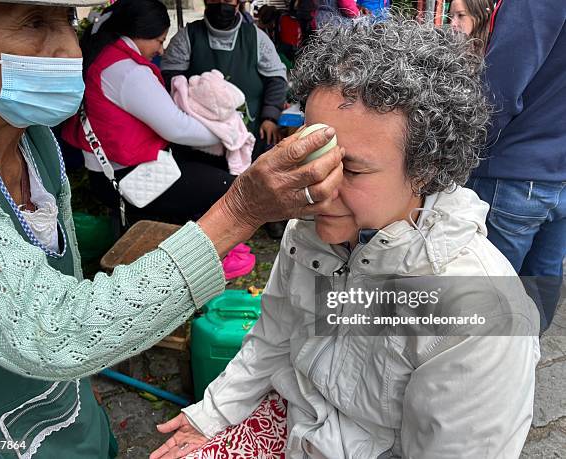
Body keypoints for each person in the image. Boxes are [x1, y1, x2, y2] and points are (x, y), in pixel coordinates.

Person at [0, 1, 344, 457]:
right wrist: (239, 208)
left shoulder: (34, 139)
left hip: (68, 412)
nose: (67, 49)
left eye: (65, 21)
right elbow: (57, 332)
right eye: (35, 23)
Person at [152, 18, 540, 459]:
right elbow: (274, 334)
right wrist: (214, 414)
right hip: (294, 423)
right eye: (314, 158)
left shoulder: (480, 316)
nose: (316, 187)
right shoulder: (312, 232)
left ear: (427, 168)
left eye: (351, 169)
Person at [62, 0, 237, 226]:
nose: (161, 50)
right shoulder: (127, 71)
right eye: (160, 41)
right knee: (230, 187)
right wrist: (227, 133)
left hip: (111, 173)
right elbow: (177, 128)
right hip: (130, 177)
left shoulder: (105, 57)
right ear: (142, 32)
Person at [466, 0, 566, 332]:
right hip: (548, 170)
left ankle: (488, 375)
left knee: (485, 298)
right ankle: (516, 370)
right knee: (538, 286)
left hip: (516, 171)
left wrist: (462, 151)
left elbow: (499, 90)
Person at [161, 0, 288, 159]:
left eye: (227, 0)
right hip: (198, 140)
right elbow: (170, 82)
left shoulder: (257, 38)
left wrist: (270, 117)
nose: (221, 4)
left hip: (249, 137)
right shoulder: (186, 37)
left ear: (237, 3)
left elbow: (276, 79)